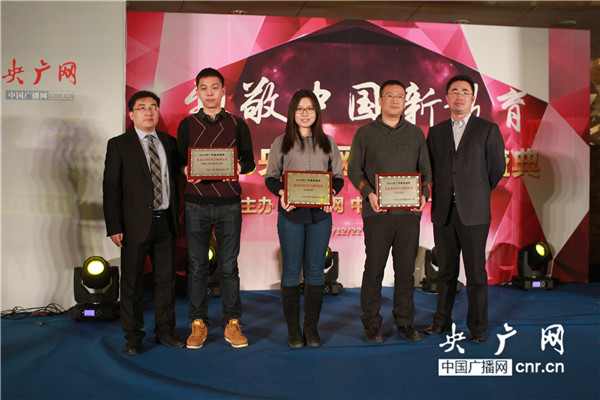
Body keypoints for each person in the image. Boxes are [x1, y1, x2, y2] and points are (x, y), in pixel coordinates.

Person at [348, 80, 432, 343]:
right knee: (374, 269)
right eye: (390, 96)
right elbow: (354, 170)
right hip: (377, 213)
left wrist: (424, 195)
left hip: (408, 214)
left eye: (400, 96)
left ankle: (405, 323)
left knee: (405, 271)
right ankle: (372, 324)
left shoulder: (415, 133)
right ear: (380, 100)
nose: (395, 101)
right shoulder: (365, 133)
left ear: (405, 101)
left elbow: (426, 172)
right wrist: (369, 194)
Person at [177, 67, 255, 349]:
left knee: (229, 267)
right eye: (204, 88)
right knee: (197, 267)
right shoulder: (187, 124)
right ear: (197, 92)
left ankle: (232, 323)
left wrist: (239, 167)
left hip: (228, 203)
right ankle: (198, 323)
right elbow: (178, 161)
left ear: (224, 91)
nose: (209, 93)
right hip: (196, 203)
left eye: (214, 87)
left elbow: (250, 162)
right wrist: (186, 169)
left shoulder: (238, 124)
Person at [103, 90, 185, 355]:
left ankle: (165, 331)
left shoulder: (169, 143)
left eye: (153, 107)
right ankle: (133, 336)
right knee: (131, 284)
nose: (148, 112)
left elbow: (180, 176)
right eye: (141, 107)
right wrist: (114, 226)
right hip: (133, 226)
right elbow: (110, 188)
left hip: (166, 223)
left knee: (166, 282)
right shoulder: (119, 144)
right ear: (131, 114)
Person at [425, 74, 505, 343]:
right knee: (445, 272)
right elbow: (430, 169)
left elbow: (497, 169)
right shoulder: (436, 132)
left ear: (472, 98)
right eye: (454, 91)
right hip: (444, 212)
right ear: (446, 97)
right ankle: (441, 321)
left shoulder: (487, 129)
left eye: (464, 91)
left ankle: (477, 327)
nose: (459, 96)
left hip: (475, 213)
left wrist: (475, 192)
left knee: (475, 273)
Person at [265, 90, 344, 348]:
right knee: (291, 271)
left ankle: (311, 328)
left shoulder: (328, 143)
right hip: (290, 214)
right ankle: (293, 330)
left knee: (315, 272)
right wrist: (281, 192)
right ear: (292, 113)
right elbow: (271, 177)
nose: (305, 113)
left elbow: (338, 177)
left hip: (320, 215)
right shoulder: (281, 142)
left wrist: (332, 193)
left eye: (310, 108)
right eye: (300, 109)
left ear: (317, 113)